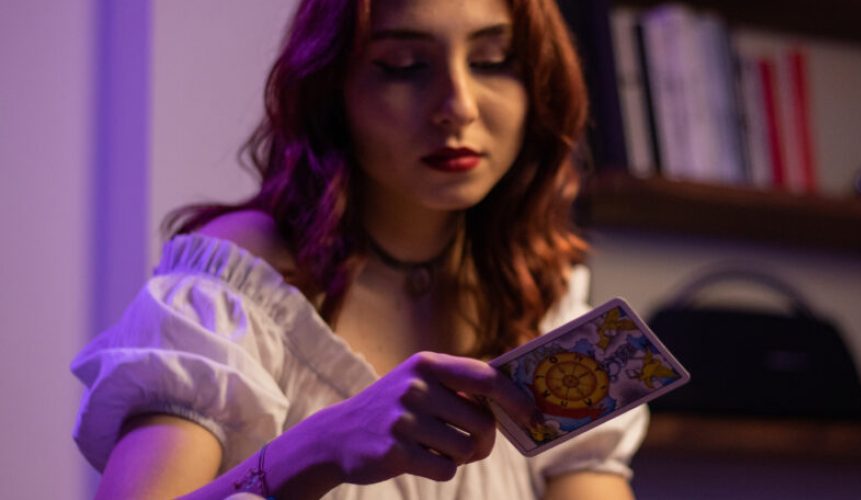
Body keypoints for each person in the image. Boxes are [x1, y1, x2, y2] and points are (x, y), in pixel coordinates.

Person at [70, 0, 648, 498]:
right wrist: (321, 445)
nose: (459, 106)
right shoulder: (236, 284)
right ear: (332, 88)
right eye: (404, 66)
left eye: (493, 61)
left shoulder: (541, 292)